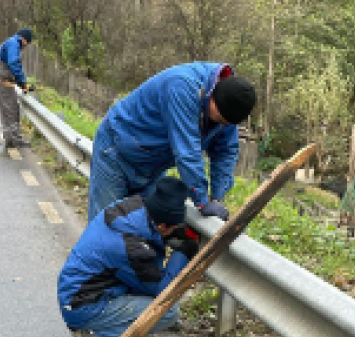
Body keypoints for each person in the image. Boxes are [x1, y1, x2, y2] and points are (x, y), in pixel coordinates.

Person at [87, 62, 257, 222]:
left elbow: (226, 151)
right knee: (106, 224)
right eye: (220, 119)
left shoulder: (230, 102)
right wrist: (202, 202)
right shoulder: (182, 87)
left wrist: (217, 198)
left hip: (153, 165)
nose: (221, 125)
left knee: (142, 230)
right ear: (213, 97)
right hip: (117, 150)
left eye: (226, 124)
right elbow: (187, 151)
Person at [57, 177, 200, 337]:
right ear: (161, 226)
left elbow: (146, 253)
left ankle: (99, 326)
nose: (174, 231)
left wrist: (165, 236)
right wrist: (182, 253)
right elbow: (162, 291)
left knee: (143, 288)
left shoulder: (131, 207)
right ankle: (98, 336)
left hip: (76, 293)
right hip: (83, 306)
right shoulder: (131, 248)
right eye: (172, 228)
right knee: (168, 311)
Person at [0, 28, 35, 148]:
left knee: (6, 110)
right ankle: (15, 140)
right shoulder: (14, 44)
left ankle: (9, 139)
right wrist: (23, 83)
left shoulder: (11, 42)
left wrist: (21, 83)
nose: (26, 46)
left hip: (0, 80)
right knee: (12, 110)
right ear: (24, 39)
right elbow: (14, 63)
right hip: (2, 81)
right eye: (27, 43)